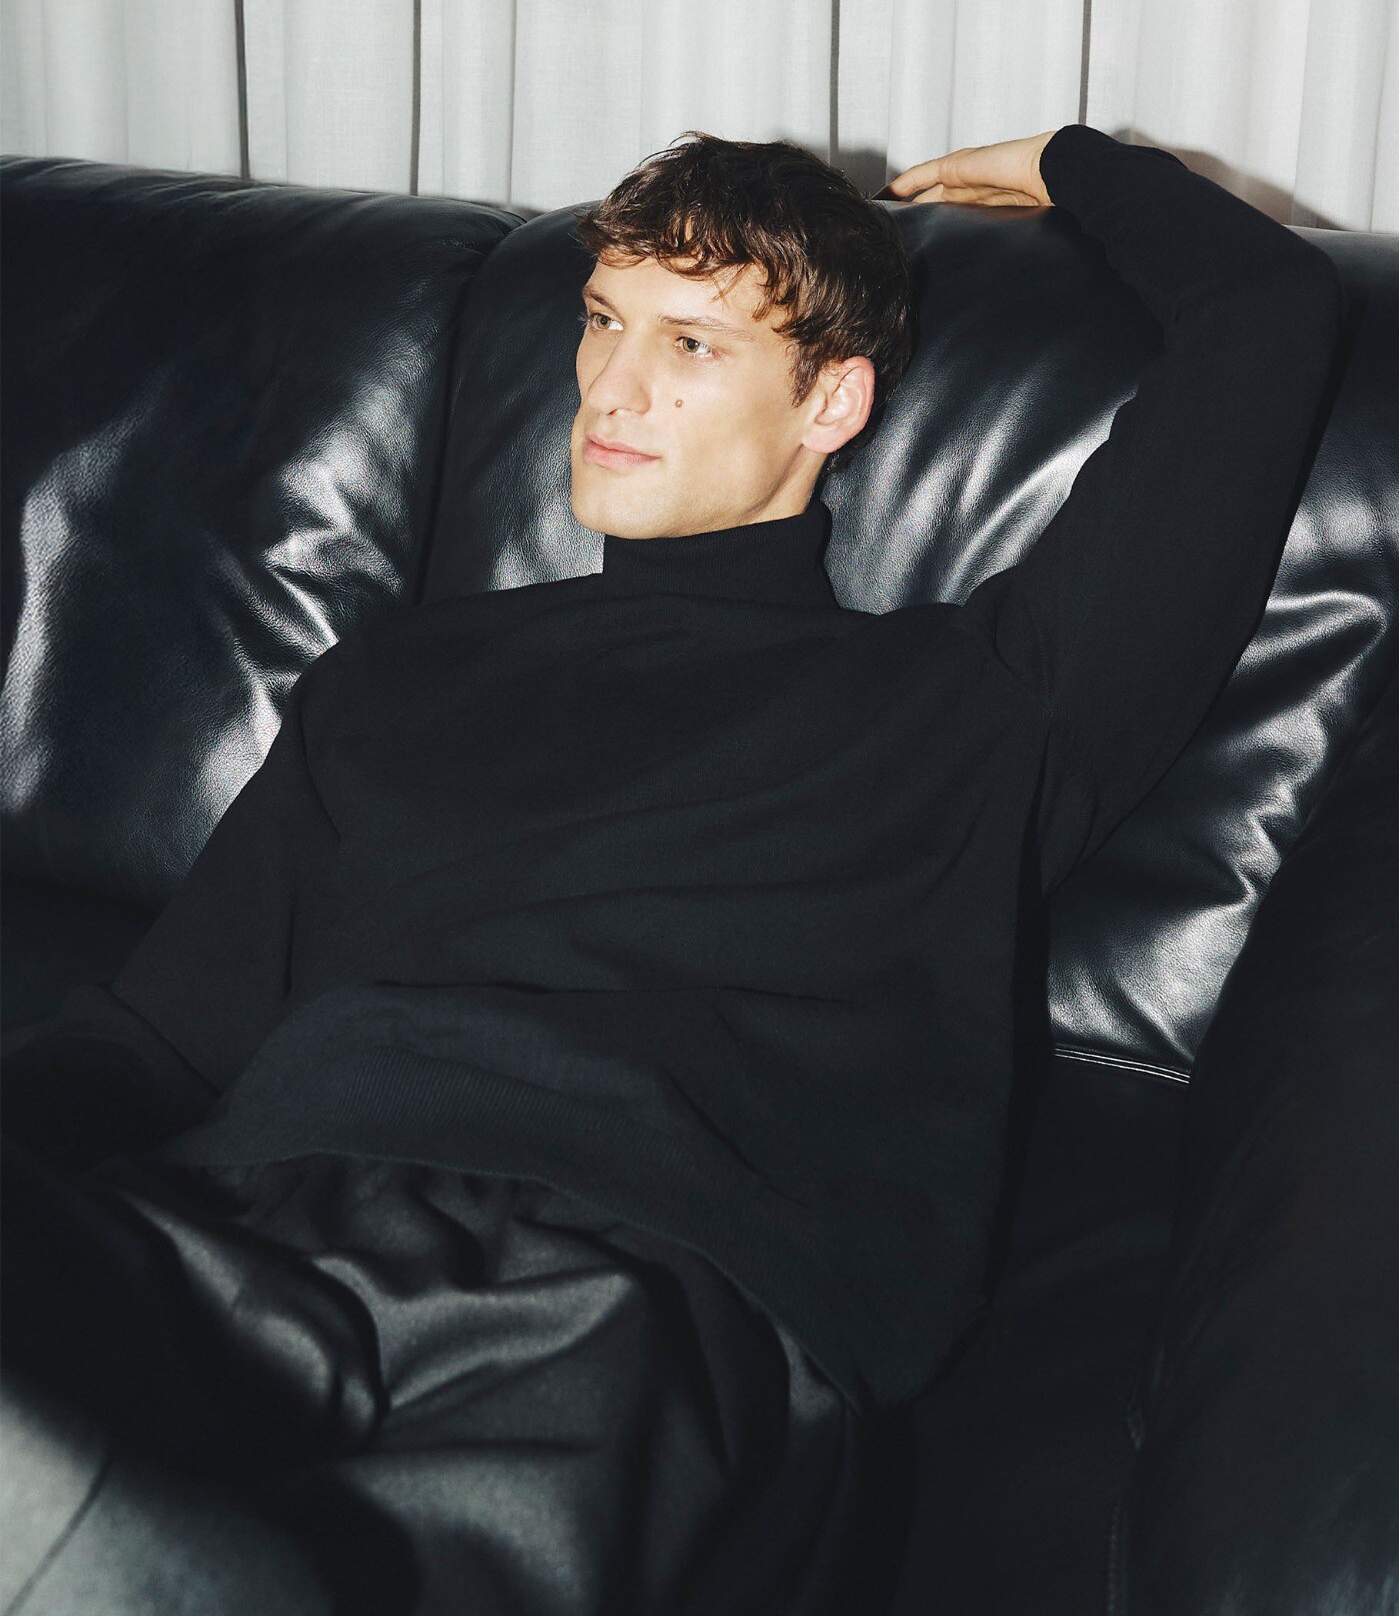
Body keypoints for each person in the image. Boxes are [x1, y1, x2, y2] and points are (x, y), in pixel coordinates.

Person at [0, 124, 1344, 1615]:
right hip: (242, 1232)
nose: (610, 388)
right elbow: (155, 1038)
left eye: (691, 343)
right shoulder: (397, 677)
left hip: (637, 1299)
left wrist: (1076, 163)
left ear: (831, 400)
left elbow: (1268, 317)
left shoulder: (980, 705)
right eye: (602, 320)